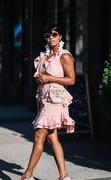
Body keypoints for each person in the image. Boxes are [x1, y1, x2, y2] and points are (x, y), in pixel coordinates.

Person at [20, 25, 75, 180]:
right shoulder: (45, 55)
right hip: (45, 100)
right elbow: (43, 76)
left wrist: (49, 78)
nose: (51, 37)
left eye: (54, 34)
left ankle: (27, 175)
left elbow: (71, 80)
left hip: (55, 101)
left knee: (38, 136)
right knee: (52, 138)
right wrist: (40, 78)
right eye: (47, 35)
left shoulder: (64, 56)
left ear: (60, 37)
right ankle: (64, 176)